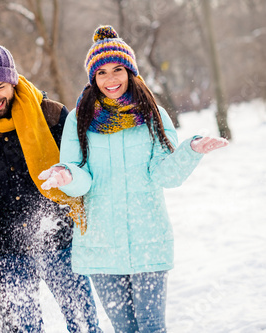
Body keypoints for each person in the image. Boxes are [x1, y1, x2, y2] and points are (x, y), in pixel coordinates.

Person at [39, 25, 229, 332]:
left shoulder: (153, 115)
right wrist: (65, 174)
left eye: (117, 70)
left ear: (130, 71)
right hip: (100, 243)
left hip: (147, 239)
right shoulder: (79, 118)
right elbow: (81, 176)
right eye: (101, 72)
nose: (111, 79)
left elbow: (164, 174)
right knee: (124, 329)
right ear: (93, 77)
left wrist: (190, 151)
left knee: (151, 327)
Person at [0, 44, 100, 332]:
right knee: (24, 327)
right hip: (8, 248)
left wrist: (65, 210)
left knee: (83, 322)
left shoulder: (53, 115)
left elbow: (79, 171)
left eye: (0, 86)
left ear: (13, 79)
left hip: (58, 237)